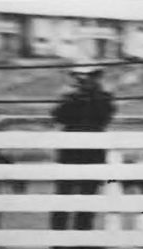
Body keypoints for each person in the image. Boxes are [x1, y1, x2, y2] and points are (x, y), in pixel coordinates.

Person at [50, 65, 115, 233]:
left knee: (88, 196)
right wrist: (73, 99)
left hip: (93, 152)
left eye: (91, 77)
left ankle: (83, 237)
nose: (86, 81)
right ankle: (58, 237)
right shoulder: (68, 97)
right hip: (70, 152)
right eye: (81, 77)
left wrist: (92, 97)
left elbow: (105, 117)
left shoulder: (103, 97)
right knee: (63, 196)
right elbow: (58, 116)